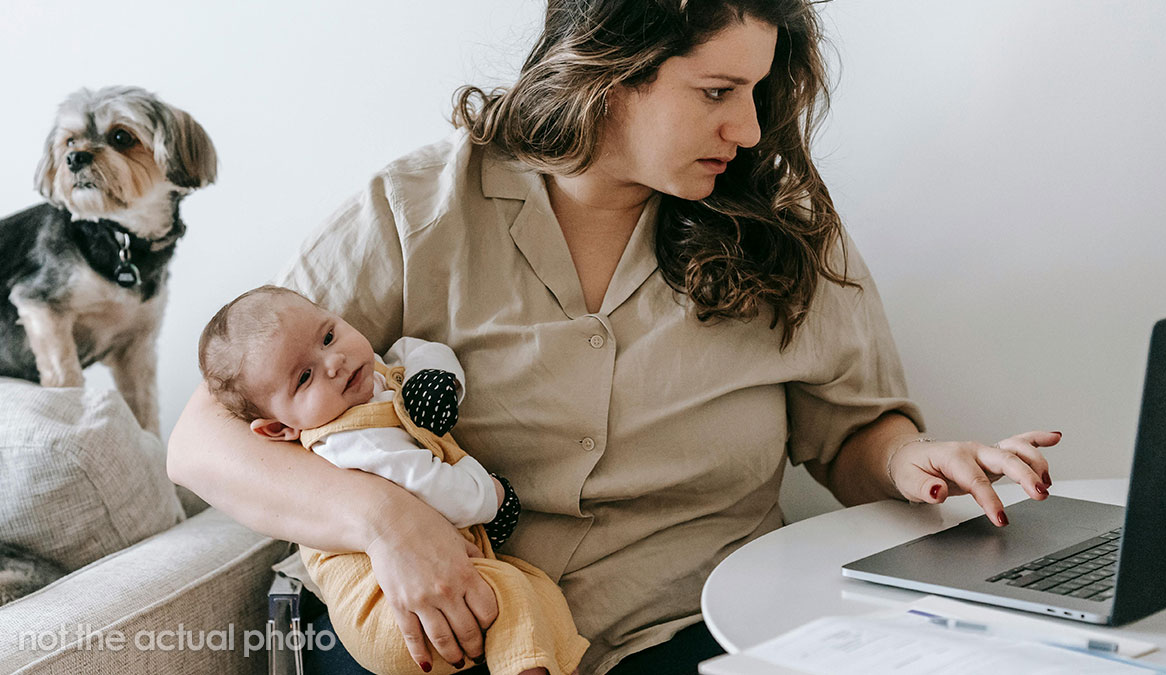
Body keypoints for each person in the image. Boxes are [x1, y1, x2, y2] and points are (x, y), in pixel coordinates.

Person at [167, 1, 1059, 673]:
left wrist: (912, 461)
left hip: (692, 628)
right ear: (609, 70)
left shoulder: (784, 226)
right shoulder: (418, 209)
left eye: (754, 92)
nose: (747, 129)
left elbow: (857, 431)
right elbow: (203, 438)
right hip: (443, 631)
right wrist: (385, 517)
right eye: (716, 91)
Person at [195, 285, 588, 675]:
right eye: (304, 377)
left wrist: (435, 379)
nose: (334, 362)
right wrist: (493, 492)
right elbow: (447, 494)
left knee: (539, 593)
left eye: (329, 336)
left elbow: (416, 349)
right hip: (387, 612)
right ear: (279, 429)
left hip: (430, 584)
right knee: (513, 596)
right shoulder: (352, 440)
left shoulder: (371, 379)